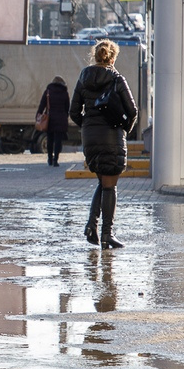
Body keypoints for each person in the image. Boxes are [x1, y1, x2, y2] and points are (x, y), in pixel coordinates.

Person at [70, 39, 138, 249]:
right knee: (110, 186)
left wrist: (88, 126)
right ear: (112, 57)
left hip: (89, 136)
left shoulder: (83, 77)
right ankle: (107, 234)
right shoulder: (116, 78)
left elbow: (74, 112)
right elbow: (133, 111)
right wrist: (124, 129)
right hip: (111, 136)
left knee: (103, 182)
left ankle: (92, 226)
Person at [36, 76, 71, 167]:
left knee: (50, 139)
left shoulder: (48, 92)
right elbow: (67, 107)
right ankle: (56, 160)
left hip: (50, 119)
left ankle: (49, 159)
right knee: (58, 140)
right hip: (61, 118)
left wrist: (38, 115)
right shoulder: (64, 92)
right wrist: (65, 116)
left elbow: (42, 104)